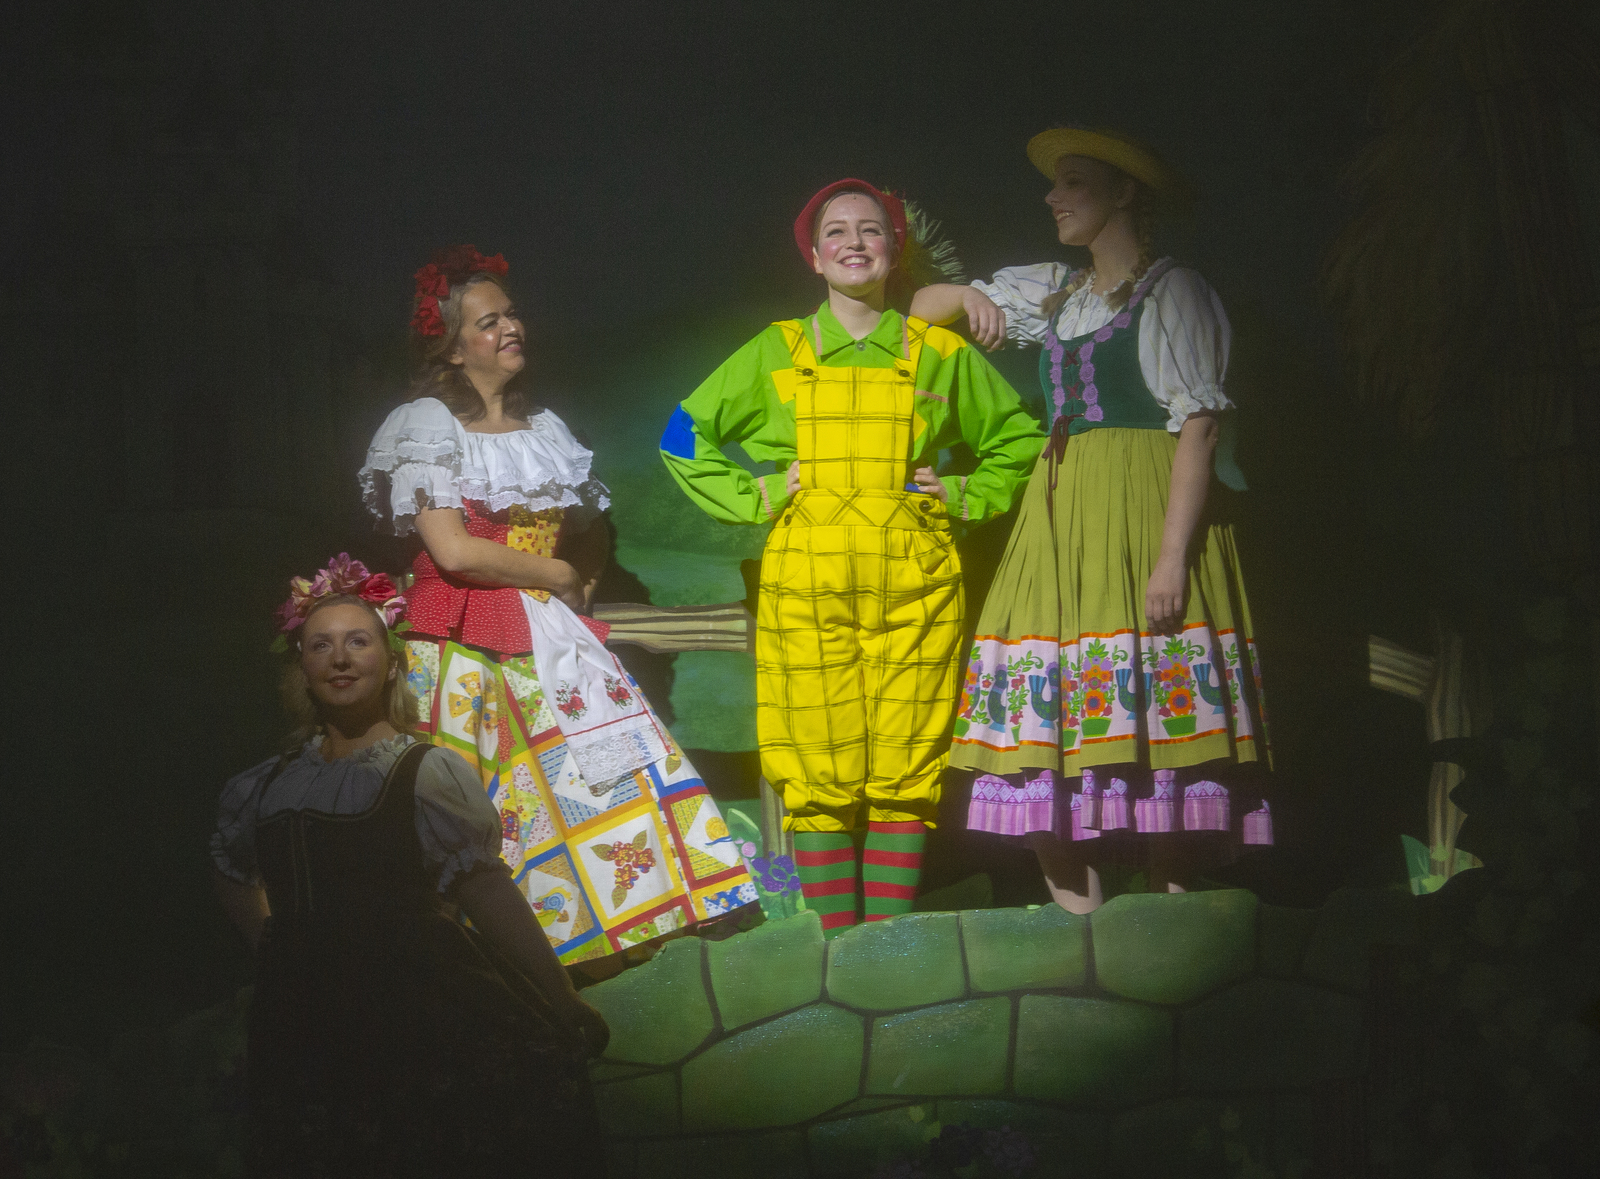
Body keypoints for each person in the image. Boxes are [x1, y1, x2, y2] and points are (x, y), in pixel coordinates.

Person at [660, 181, 1044, 936]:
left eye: (871, 230)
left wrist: (963, 493)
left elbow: (1020, 440)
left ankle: (887, 950)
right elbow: (682, 433)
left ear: (895, 250)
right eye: (836, 231)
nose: (855, 242)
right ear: (814, 256)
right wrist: (758, 492)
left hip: (916, 585)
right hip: (808, 585)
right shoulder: (779, 349)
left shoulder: (938, 354)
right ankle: (837, 953)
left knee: (907, 763)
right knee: (816, 765)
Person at [359, 245, 757, 967]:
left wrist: (581, 587)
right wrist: (556, 575)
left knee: (615, 764)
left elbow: (590, 525)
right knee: (492, 805)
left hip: (548, 628)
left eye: (512, 314)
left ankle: (639, 926)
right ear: (452, 348)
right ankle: (511, 956)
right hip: (463, 642)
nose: (511, 327)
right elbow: (453, 550)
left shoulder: (544, 428)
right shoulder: (426, 424)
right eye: (488, 322)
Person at [910, 127, 1272, 914]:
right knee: (1043, 712)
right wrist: (967, 297)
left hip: (1144, 506)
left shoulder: (1174, 290)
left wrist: (1171, 557)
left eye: (1073, 182)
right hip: (1061, 516)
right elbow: (924, 308)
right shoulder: (1057, 292)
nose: (1053, 197)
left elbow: (1199, 427)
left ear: (1124, 193)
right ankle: (1085, 926)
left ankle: (1168, 920)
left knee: (1158, 706)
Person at [211, 569, 606, 1177]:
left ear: (392, 664)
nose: (340, 659)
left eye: (358, 641)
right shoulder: (267, 785)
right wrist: (274, 942)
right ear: (303, 669)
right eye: (321, 645)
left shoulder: (425, 773)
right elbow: (231, 869)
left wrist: (560, 996)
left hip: (413, 1003)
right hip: (303, 1013)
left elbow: (484, 887)